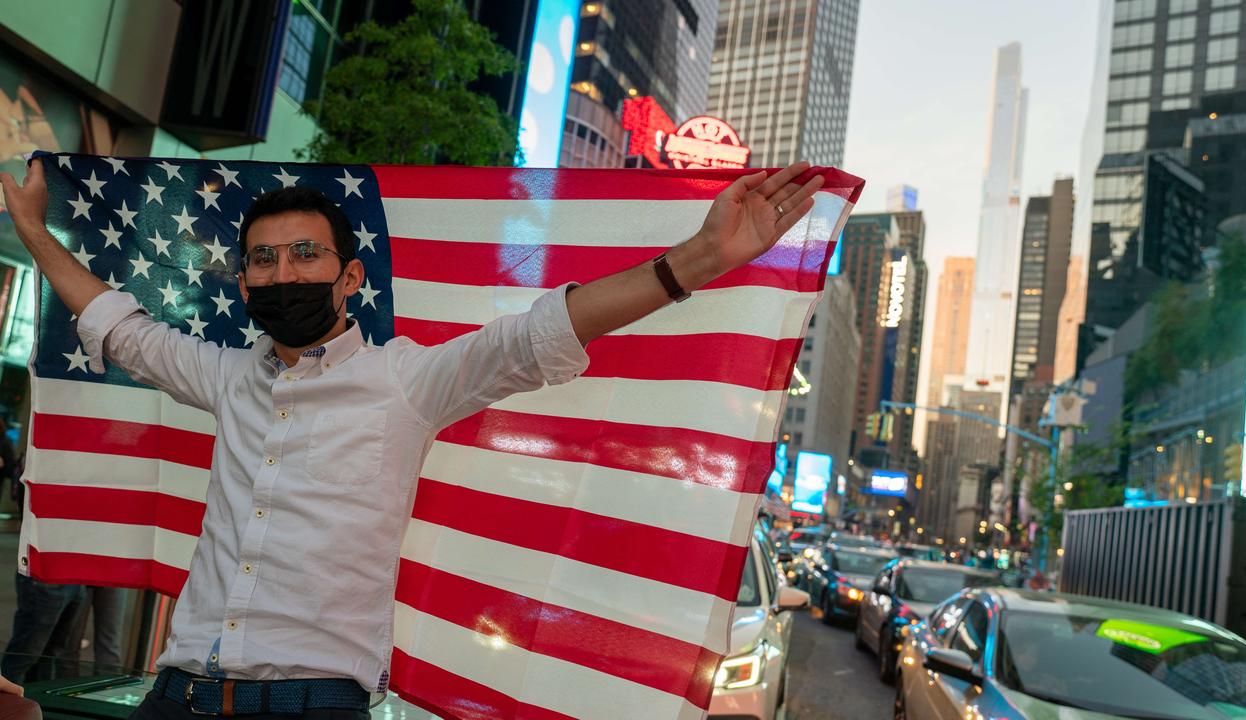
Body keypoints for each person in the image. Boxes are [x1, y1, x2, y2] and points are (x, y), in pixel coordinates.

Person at [0, 158, 826, 720]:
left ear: (351, 277)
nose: (283, 273)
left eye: (304, 254)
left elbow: (537, 333)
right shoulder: (225, 375)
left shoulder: (408, 379)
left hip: (314, 703)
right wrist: (35, 233)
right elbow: (123, 326)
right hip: (179, 691)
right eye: (263, 261)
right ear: (244, 282)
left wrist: (694, 260)